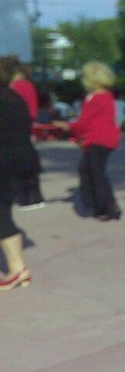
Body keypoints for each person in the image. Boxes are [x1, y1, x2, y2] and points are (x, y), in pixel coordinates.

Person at [57, 62, 122, 221]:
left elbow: (84, 122)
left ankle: (105, 206)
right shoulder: (106, 96)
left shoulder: (94, 97)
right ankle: (102, 205)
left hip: (98, 139)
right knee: (89, 170)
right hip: (105, 137)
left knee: (94, 173)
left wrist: (68, 126)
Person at [0, 57, 41, 291]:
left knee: (1, 214)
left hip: (4, 161)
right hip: (17, 161)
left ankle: (17, 270)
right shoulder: (14, 98)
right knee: (3, 210)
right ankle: (19, 269)